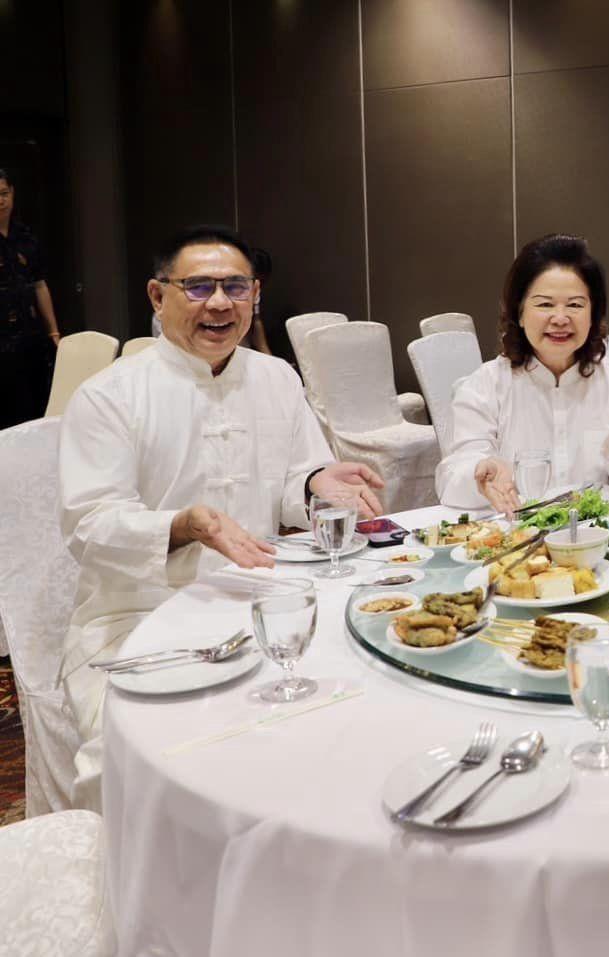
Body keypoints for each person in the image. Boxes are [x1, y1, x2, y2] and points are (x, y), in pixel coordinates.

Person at [58, 225, 385, 810]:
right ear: (157, 296)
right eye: (198, 287)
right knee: (138, 753)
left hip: (261, 596)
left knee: (358, 702)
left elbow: (297, 479)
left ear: (254, 294)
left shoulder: (276, 377)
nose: (218, 303)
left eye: (235, 287)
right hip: (138, 612)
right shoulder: (110, 395)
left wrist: (315, 482)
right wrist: (183, 525)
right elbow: (90, 525)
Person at [435, 233, 609, 512]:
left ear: (593, 315)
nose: (560, 318)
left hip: (598, 532)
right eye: (545, 304)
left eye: (575, 305)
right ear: (519, 313)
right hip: (517, 533)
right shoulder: (485, 385)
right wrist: (480, 471)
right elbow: (451, 480)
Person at [0, 168, 61, 427]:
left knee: (36, 408)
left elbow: (39, 285)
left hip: (30, 336)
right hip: (2, 340)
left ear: (12, 193)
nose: (0, 201)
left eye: (4, 193)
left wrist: (53, 332)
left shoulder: (25, 237)